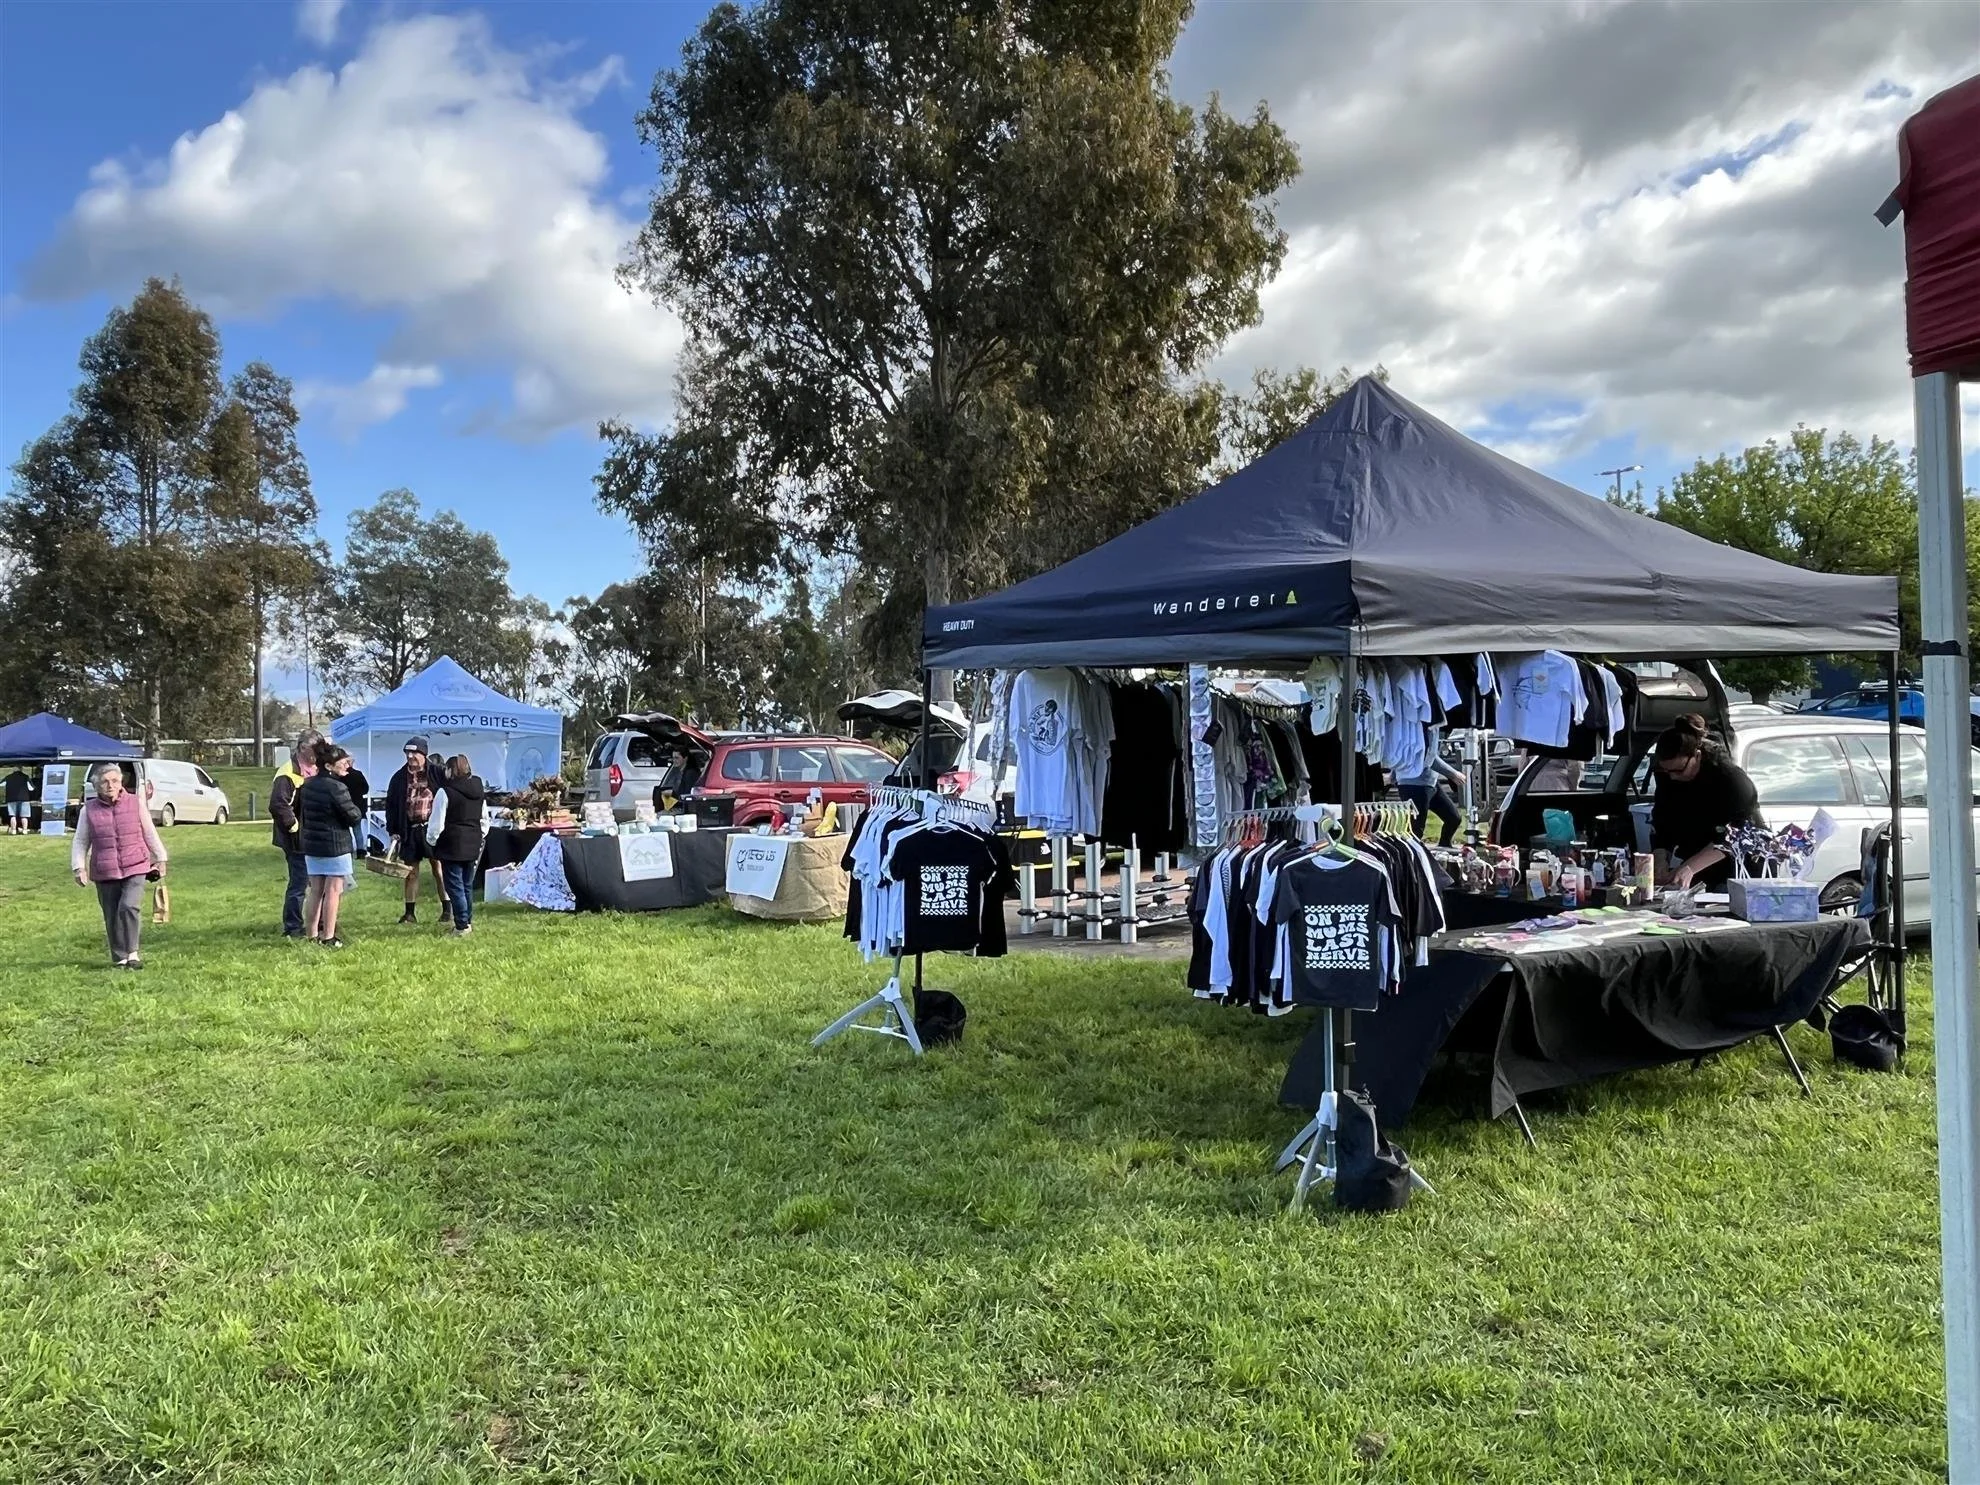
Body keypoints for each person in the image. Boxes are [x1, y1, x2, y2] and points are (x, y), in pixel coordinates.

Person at [71, 762, 167, 968]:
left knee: (128, 906)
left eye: (114, 781)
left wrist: (161, 857)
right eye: (105, 782)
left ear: (121, 782)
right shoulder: (88, 811)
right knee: (112, 913)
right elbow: (80, 841)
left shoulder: (135, 803)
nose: (110, 785)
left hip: (136, 864)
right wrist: (79, 867)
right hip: (105, 869)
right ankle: (120, 957)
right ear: (97, 787)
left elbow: (149, 831)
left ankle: (132, 953)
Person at [1650, 713, 1763, 889]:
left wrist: (1689, 868)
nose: (1672, 777)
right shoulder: (1668, 778)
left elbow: (1732, 836)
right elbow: (1663, 824)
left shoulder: (1731, 780)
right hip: (1699, 865)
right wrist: (1660, 860)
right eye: (1666, 771)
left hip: (1742, 868)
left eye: (1678, 770)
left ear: (1697, 755)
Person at [298, 742, 363, 948]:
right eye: (343, 762)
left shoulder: (307, 785)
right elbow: (353, 816)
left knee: (315, 891)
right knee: (334, 891)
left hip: (312, 845)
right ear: (329, 766)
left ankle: (310, 935)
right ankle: (328, 936)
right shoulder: (337, 787)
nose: (347, 765)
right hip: (335, 846)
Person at [384, 736, 448, 924]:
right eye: (407, 753)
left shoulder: (437, 773)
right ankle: (409, 913)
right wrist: (393, 829)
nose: (410, 756)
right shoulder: (399, 777)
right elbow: (391, 805)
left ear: (424, 754)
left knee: (439, 868)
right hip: (410, 829)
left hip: (433, 828)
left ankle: (447, 909)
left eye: (414, 753)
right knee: (411, 871)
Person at [270, 729, 323, 938]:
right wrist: (295, 827)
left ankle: (318, 921)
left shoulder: (316, 768)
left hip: (314, 835)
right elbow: (278, 805)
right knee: (299, 883)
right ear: (302, 748)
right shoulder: (287, 773)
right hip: (296, 839)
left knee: (318, 882)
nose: (318, 753)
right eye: (315, 750)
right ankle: (292, 926)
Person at [426, 754, 486, 936]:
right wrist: (480, 836)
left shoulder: (445, 792)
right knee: (466, 885)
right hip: (473, 841)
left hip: (452, 843)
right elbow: (484, 818)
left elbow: (437, 822)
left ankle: (461, 926)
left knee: (455, 886)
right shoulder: (478, 788)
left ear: (451, 771)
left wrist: (431, 840)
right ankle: (467, 921)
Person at [1395, 747, 1466, 847]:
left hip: (1431, 783)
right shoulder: (1424, 731)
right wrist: (1452, 774)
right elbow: (1428, 757)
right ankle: (1409, 858)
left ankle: (1444, 848)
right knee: (1416, 830)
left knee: (1453, 818)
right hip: (1414, 785)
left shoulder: (1432, 731)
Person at [344, 761, 371, 858]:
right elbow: (366, 788)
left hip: (344, 805)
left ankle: (348, 851)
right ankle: (360, 851)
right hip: (358, 806)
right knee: (357, 830)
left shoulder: (340, 776)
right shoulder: (358, 774)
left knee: (345, 830)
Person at [4, 765, 32, 835]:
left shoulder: (8, 777)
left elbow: (1, 784)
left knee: (12, 816)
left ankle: (13, 830)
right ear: (21, 769)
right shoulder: (26, 777)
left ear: (13, 770)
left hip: (11, 799)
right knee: (24, 816)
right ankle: (25, 830)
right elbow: (31, 788)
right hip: (24, 799)